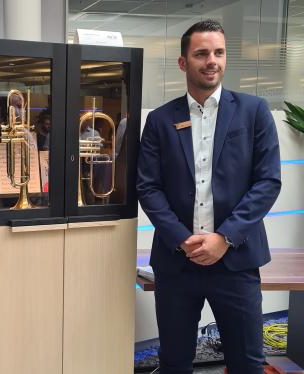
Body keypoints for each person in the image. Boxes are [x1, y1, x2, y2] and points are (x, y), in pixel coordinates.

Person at [137, 19, 281, 374]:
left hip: (236, 261)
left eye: (218, 52)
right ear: (183, 62)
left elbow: (267, 182)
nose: (211, 60)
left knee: (247, 362)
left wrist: (224, 238)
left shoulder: (254, 111)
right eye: (201, 54)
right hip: (177, 263)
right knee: (174, 362)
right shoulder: (159, 120)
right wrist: (183, 239)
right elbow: (148, 187)